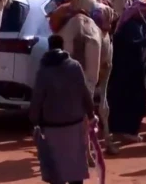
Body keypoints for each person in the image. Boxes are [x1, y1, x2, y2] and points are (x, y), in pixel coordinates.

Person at [29, 35, 94, 184]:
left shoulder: (43, 71)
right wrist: (91, 115)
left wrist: (34, 122)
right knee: (75, 171)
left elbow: (37, 99)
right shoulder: (75, 66)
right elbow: (84, 93)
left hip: (52, 128)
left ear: (50, 48)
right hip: (75, 126)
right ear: (63, 46)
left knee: (55, 173)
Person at [107, 0, 146, 143]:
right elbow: (131, 45)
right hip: (128, 71)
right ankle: (128, 131)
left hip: (128, 71)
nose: (145, 14)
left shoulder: (137, 25)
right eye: (143, 11)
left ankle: (120, 131)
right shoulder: (130, 27)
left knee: (123, 100)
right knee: (135, 100)